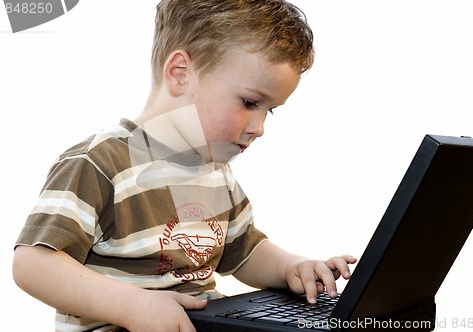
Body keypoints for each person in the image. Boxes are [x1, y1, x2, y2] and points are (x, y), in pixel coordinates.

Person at [12, 0, 357, 331]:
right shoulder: (100, 163)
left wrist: (292, 268)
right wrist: (133, 306)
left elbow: (243, 252)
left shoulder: (213, 171)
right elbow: (33, 264)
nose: (259, 127)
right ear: (180, 74)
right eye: (250, 102)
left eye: (269, 109)